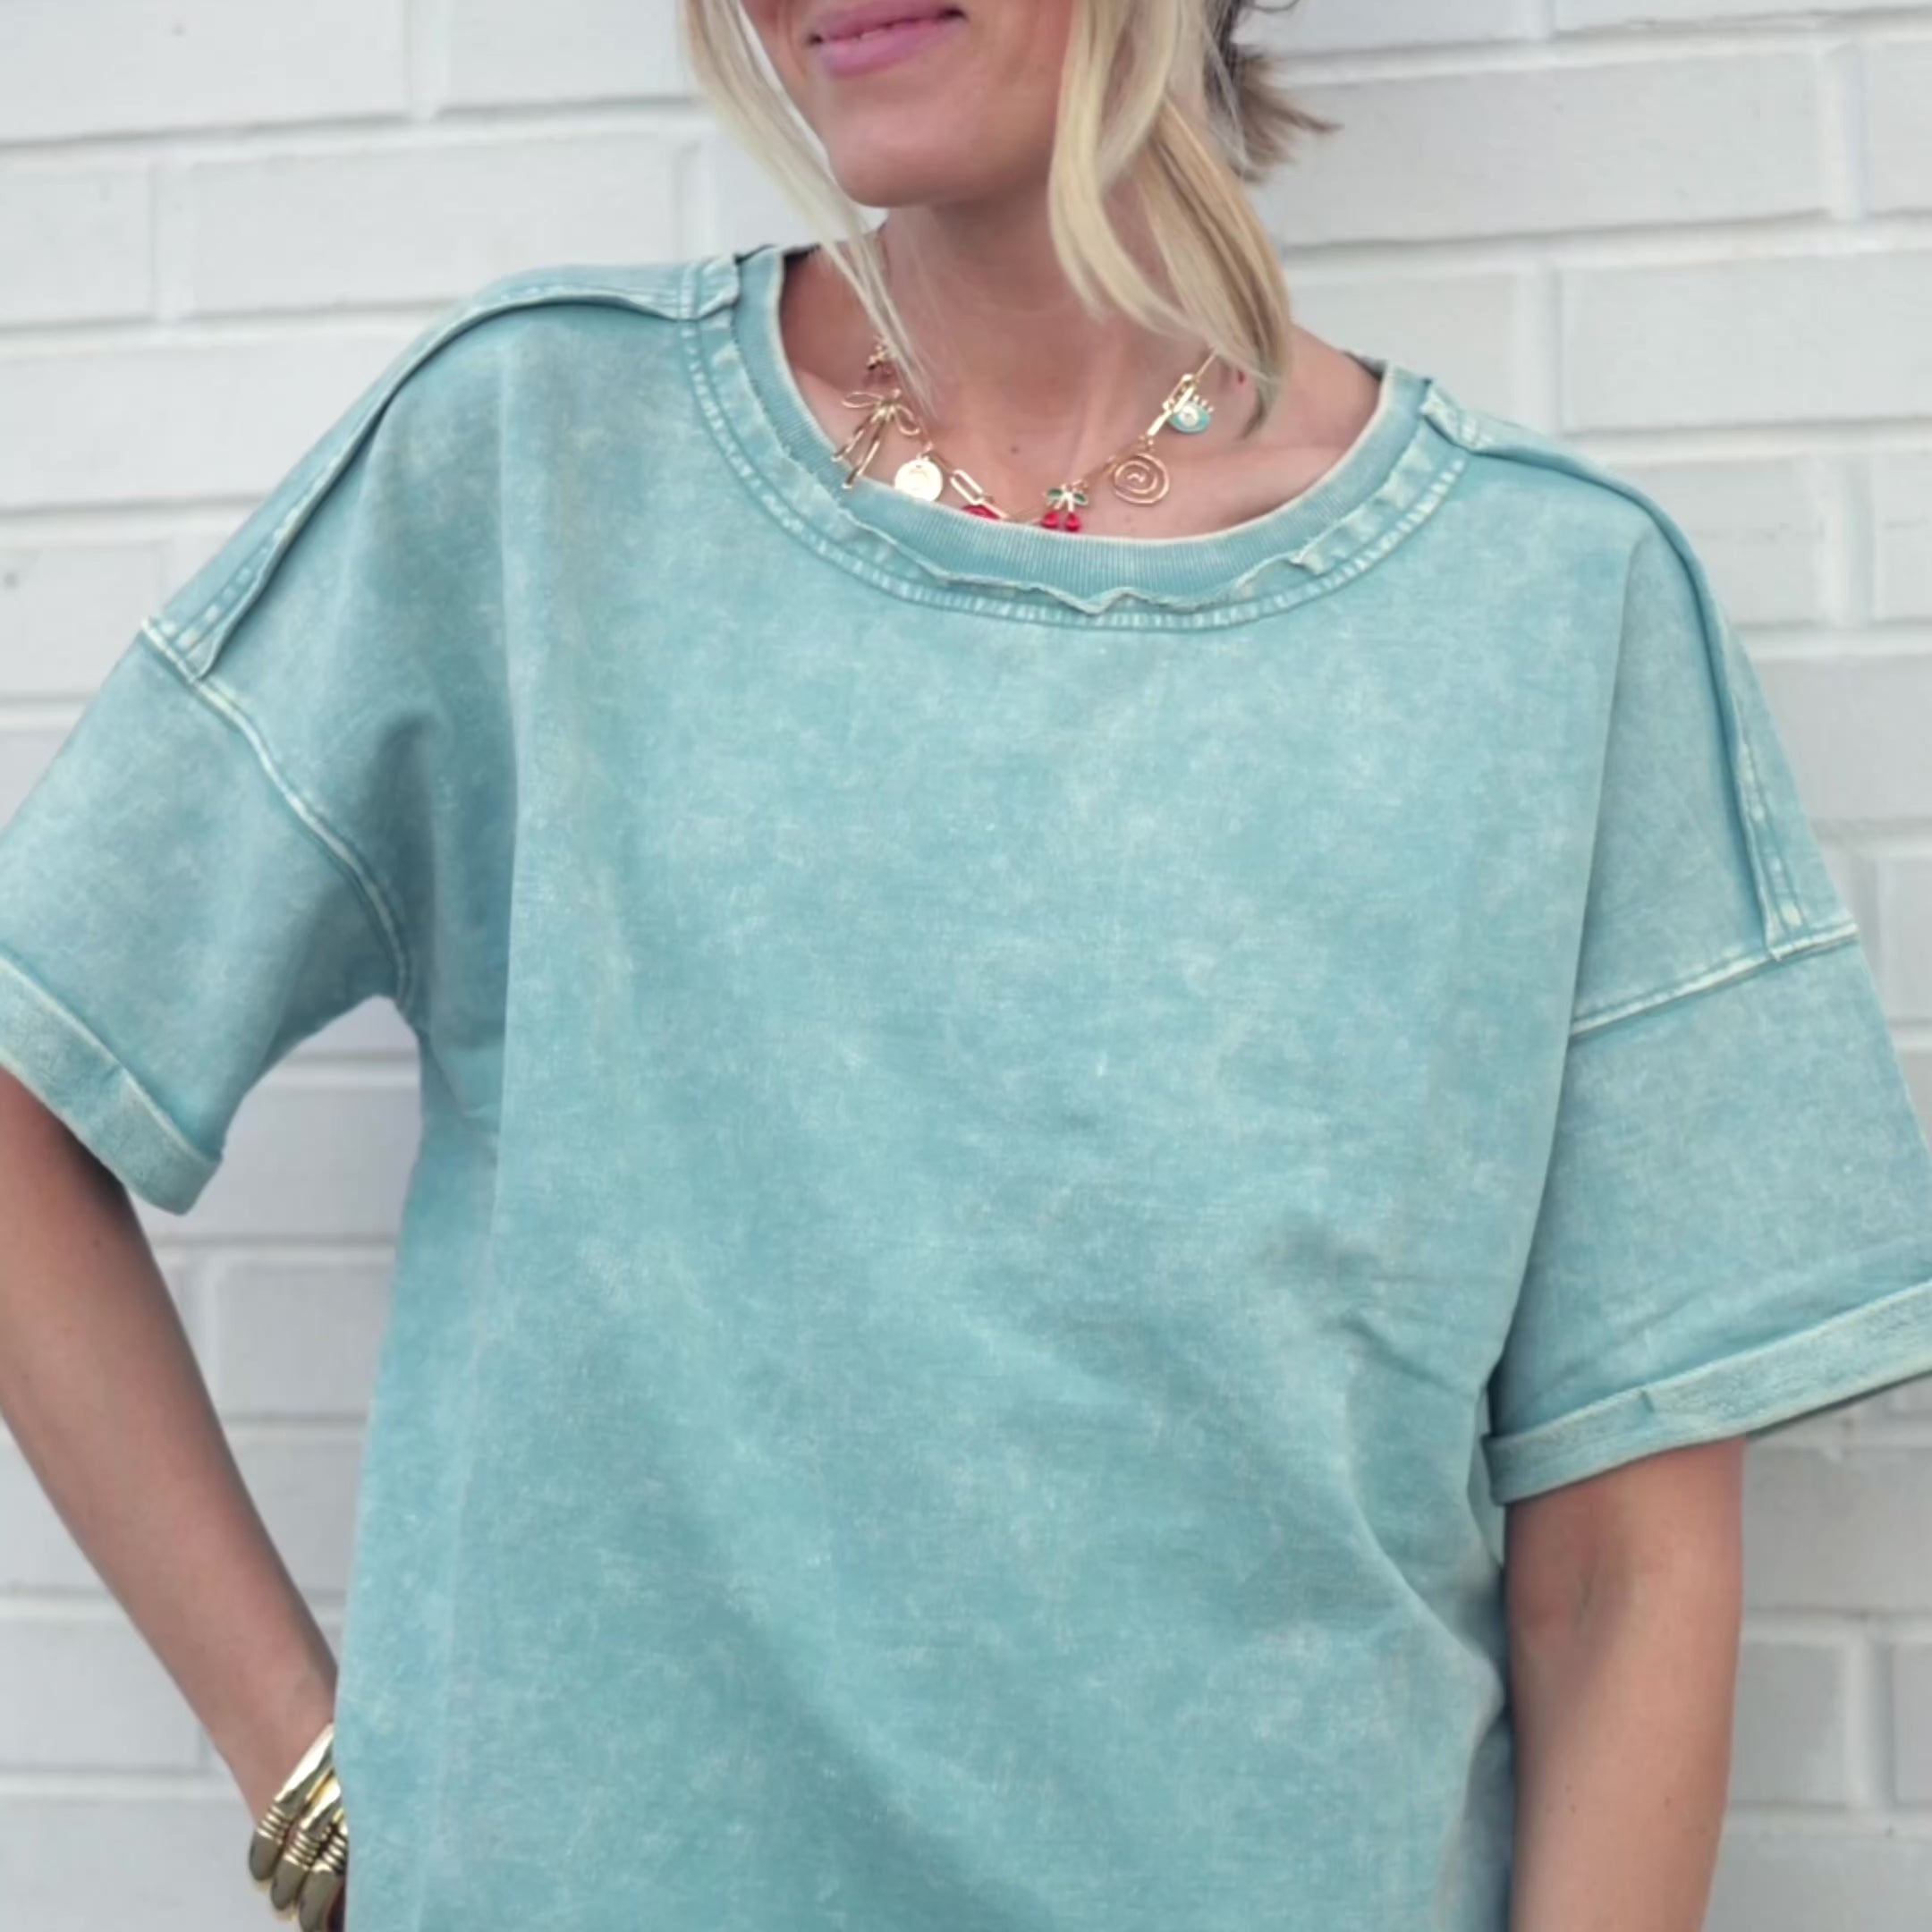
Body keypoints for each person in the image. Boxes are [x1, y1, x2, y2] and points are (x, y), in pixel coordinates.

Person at [2, 2, 1930, 1928]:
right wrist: (316, 1779)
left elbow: (1622, 1576)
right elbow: (32, 1077)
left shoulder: (1548, 610)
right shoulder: (536, 466)